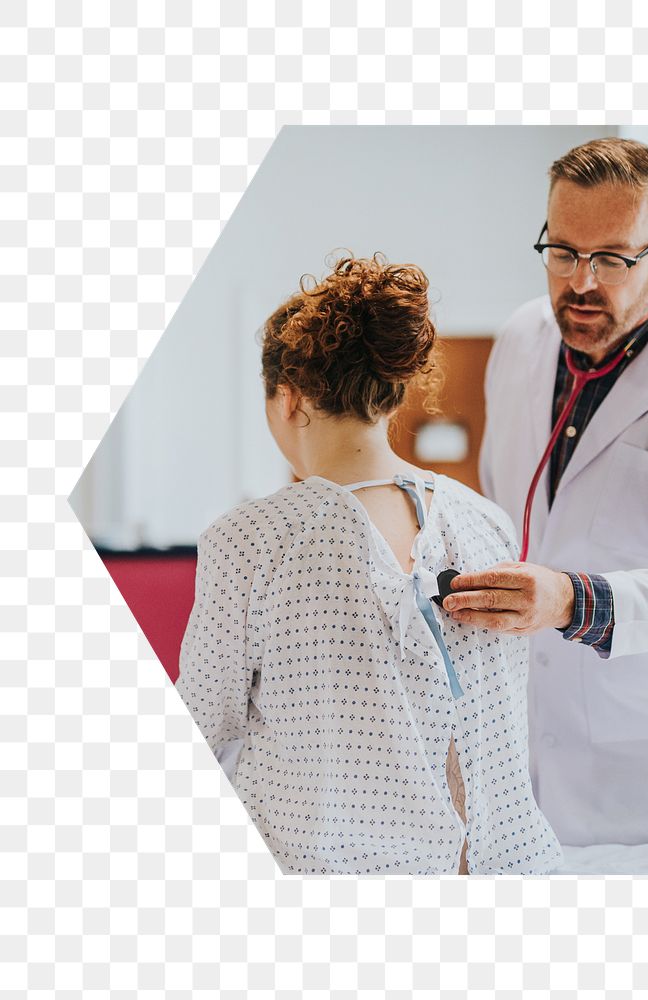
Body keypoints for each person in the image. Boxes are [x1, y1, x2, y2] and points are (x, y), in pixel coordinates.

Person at [175, 254, 562, 876]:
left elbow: (199, 722)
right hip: (500, 864)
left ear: (290, 398)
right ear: (390, 395)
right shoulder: (482, 522)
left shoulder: (250, 541)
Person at [443, 138, 648, 847]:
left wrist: (568, 600)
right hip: (527, 755)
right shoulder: (521, 340)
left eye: (613, 258)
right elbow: (507, 516)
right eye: (562, 252)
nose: (580, 282)